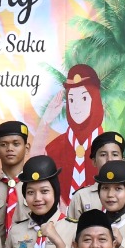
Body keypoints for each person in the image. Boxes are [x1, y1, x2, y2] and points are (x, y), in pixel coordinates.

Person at [67, 132, 125, 226]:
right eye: (103, 155)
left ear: (122, 160)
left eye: (115, 154)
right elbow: (72, 234)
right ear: (94, 162)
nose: (109, 159)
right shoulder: (82, 196)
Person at [45, 64, 106, 200]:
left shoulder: (108, 148)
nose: (76, 106)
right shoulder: (54, 148)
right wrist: (45, 121)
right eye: (71, 99)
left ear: (95, 100)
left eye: (84, 98)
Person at [0, 121, 32, 235]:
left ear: (27, 148)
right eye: (3, 144)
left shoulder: (35, 186)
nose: (9, 148)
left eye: (16, 144)